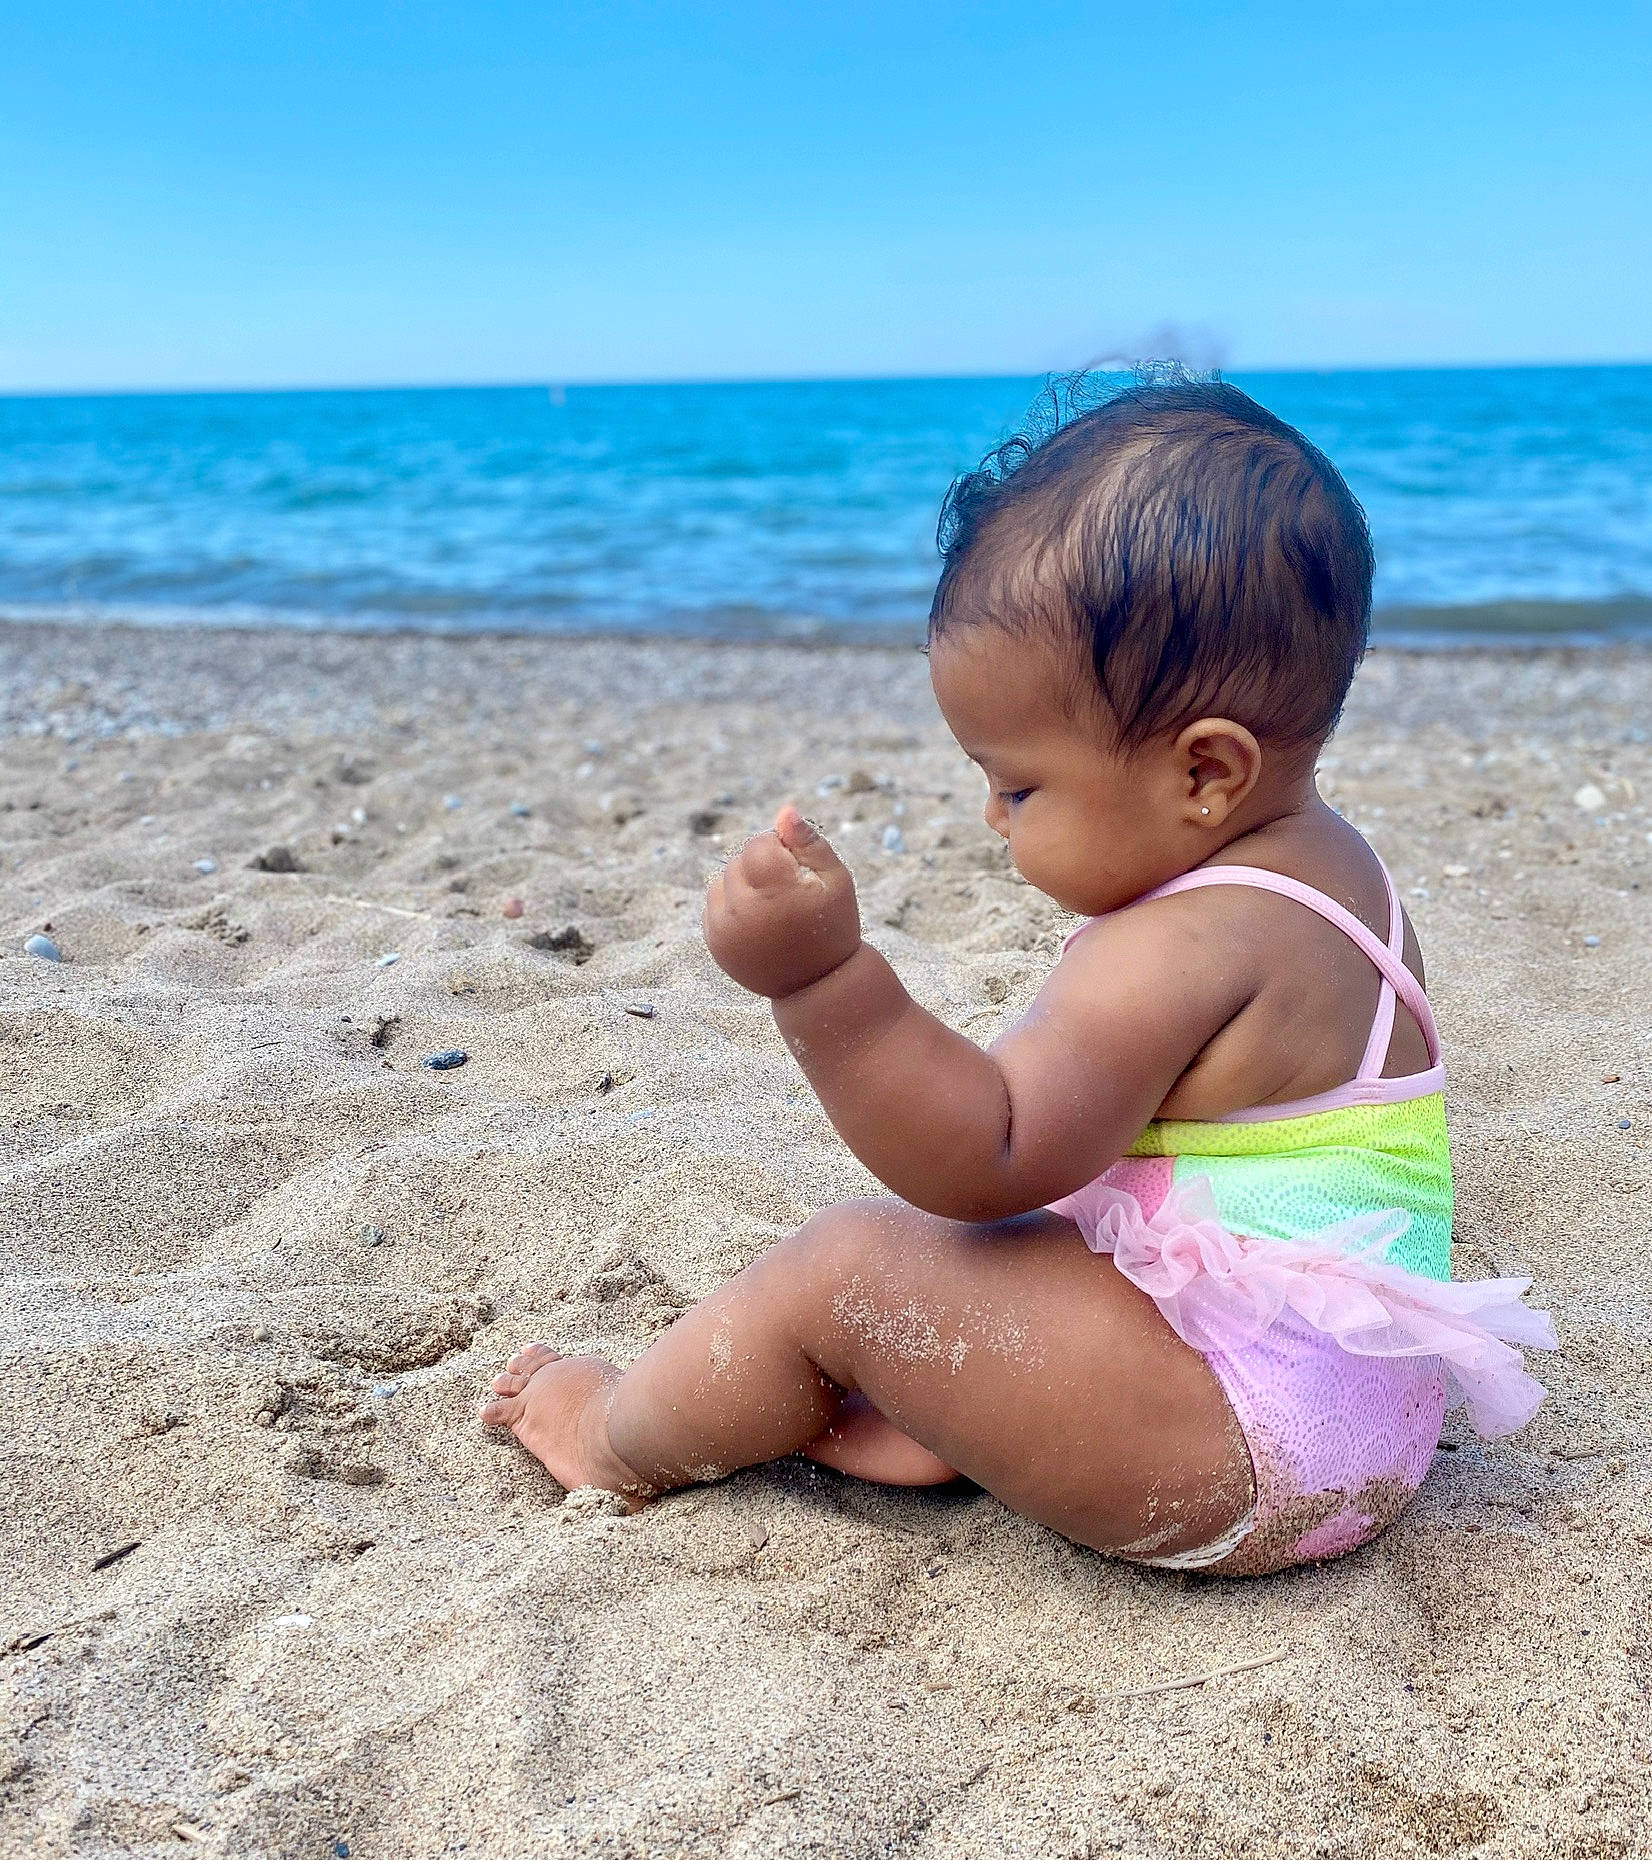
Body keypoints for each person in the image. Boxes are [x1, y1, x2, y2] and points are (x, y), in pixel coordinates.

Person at [482, 376, 1555, 1576]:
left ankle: (610, 1436)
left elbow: (982, 1159)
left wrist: (820, 982)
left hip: (1235, 1447)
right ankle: (951, 1420)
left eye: (1018, 784)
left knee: (848, 1264)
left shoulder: (1175, 946)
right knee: (1017, 1258)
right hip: (1365, 1419)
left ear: (1204, 772)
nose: (990, 817)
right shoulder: (1333, 873)